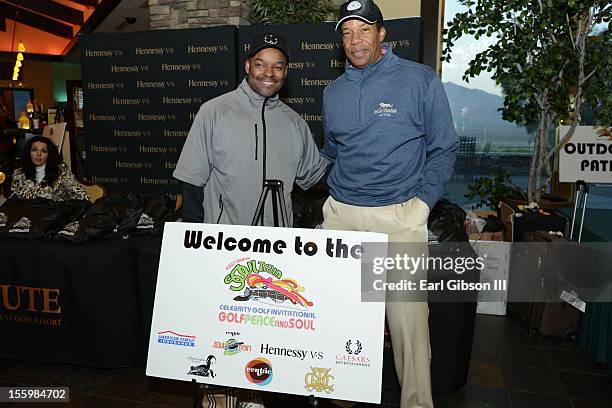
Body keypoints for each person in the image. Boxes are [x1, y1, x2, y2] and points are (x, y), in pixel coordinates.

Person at [320, 1, 459, 407]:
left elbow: (444, 147)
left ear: (382, 34)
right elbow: (333, 151)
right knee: (341, 316)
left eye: (364, 30)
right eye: (346, 33)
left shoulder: (419, 80)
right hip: (343, 216)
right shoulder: (333, 92)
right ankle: (342, 396)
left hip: (399, 217)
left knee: (408, 325)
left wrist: (421, 205)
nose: (354, 40)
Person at [174, 32, 329, 226]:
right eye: (260, 64)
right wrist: (193, 235)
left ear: (286, 72)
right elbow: (191, 179)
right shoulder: (214, 111)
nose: (269, 73)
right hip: (224, 240)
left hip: (276, 242)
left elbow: (315, 177)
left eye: (277, 67)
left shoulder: (295, 123)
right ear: (248, 66)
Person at [10, 135, 89, 202]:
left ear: (49, 154)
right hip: (26, 217)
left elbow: (82, 196)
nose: (38, 154)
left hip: (54, 217)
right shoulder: (18, 174)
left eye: (44, 151)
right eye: (34, 150)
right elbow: (14, 201)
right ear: (28, 152)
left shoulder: (61, 171)